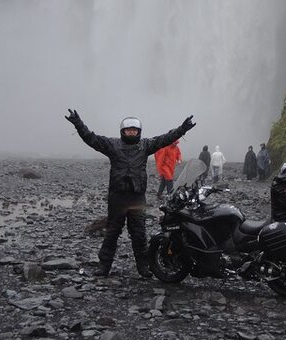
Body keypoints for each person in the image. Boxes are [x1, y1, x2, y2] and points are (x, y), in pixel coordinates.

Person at [65, 110, 195, 278]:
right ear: (123, 131)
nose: (131, 132)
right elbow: (91, 138)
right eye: (128, 130)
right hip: (117, 198)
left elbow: (166, 139)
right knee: (112, 233)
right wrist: (77, 122)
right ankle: (104, 267)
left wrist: (183, 128)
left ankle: (143, 267)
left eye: (134, 130)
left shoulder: (145, 145)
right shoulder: (112, 145)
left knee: (139, 234)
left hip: (137, 197)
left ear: (139, 131)